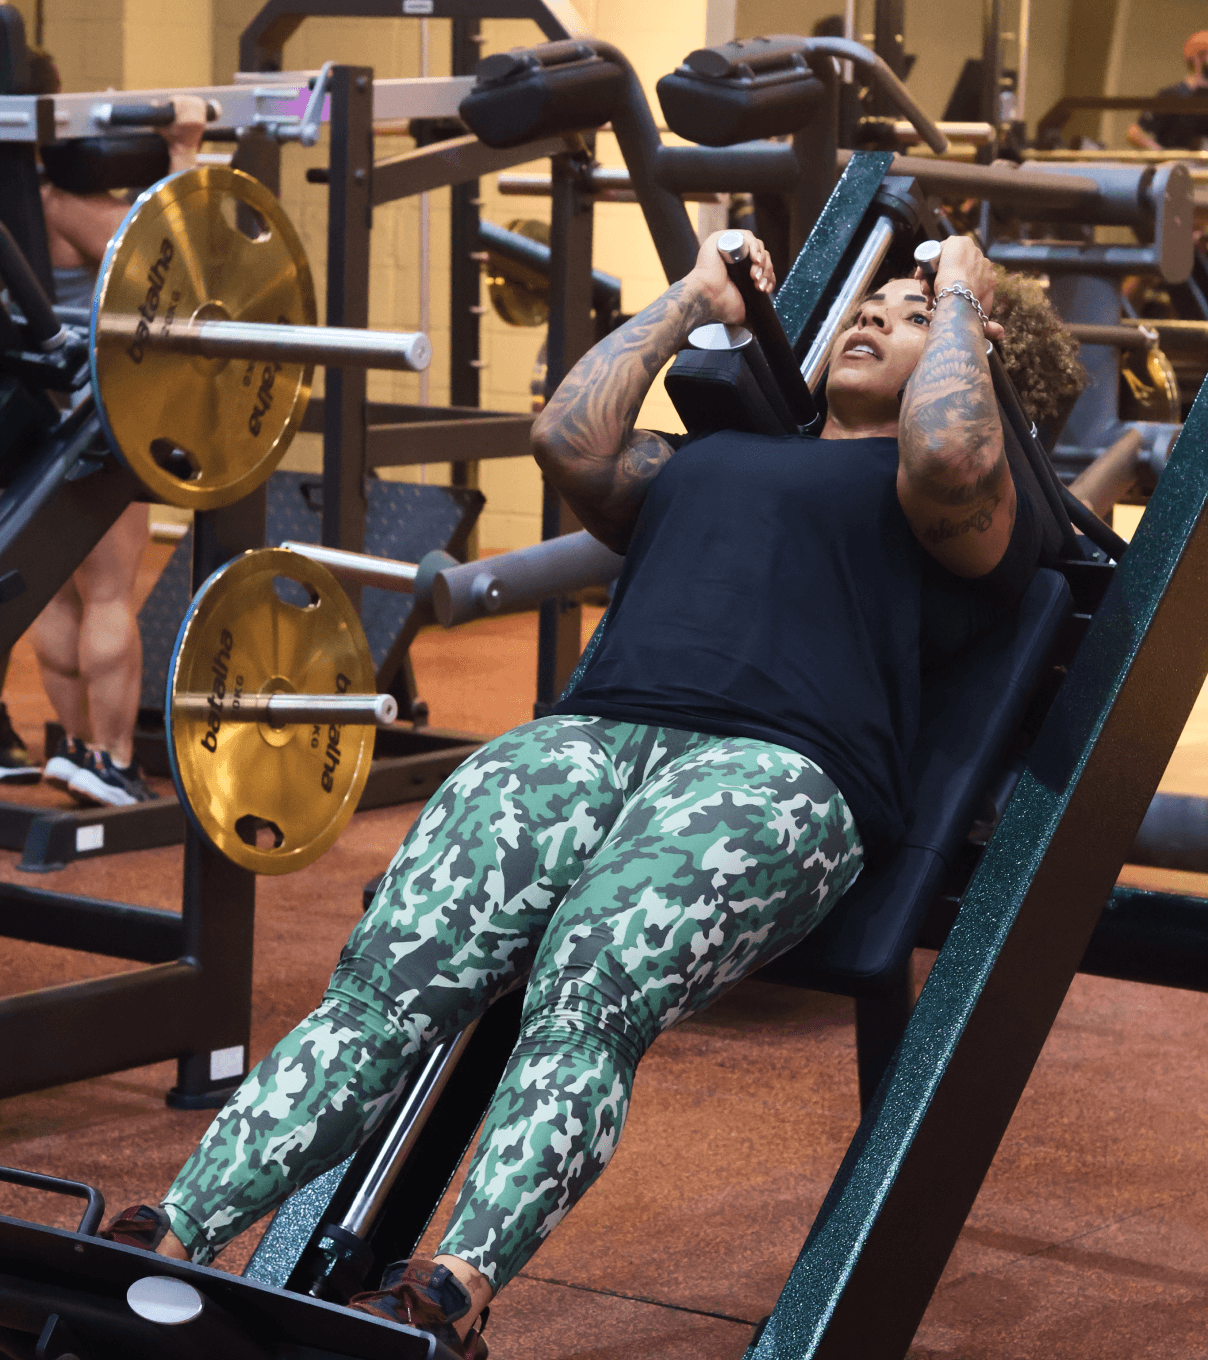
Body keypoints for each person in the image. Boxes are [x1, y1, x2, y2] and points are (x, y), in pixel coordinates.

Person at [99, 230, 1057, 1359]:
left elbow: (951, 456)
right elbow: (566, 436)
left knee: (586, 993)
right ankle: (174, 1230)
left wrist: (961, 298)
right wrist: (693, 296)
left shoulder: (972, 501)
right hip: (588, 737)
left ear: (973, 351)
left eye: (910, 312)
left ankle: (450, 1289)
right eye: (871, 304)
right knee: (385, 984)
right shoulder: (713, 458)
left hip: (778, 769)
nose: (874, 317)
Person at [24, 47, 206, 805]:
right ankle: (113, 760)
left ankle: (71, 748)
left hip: (25, 416)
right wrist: (184, 152)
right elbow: (174, 271)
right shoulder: (62, 205)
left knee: (52, 591)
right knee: (106, 594)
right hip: (90, 418)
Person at [1127, 31, 1208, 151]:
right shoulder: (1171, 95)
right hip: (1177, 162)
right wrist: (1162, 155)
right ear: (1198, 57)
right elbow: (1134, 133)